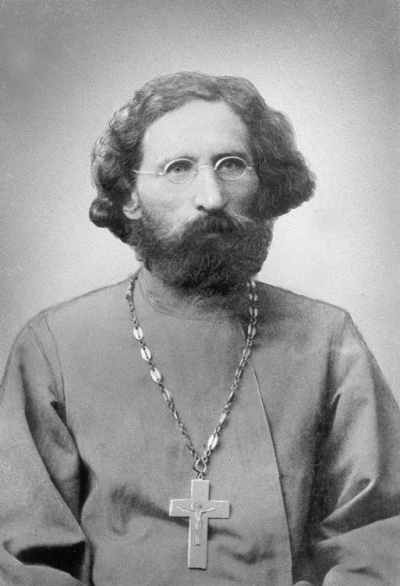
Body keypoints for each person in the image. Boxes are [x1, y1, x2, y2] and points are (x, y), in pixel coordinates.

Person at [0, 71, 399, 586]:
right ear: (129, 196)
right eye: (178, 168)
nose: (211, 196)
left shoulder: (327, 338)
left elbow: (379, 540)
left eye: (232, 165)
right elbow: (21, 560)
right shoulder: (52, 347)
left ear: (264, 185)